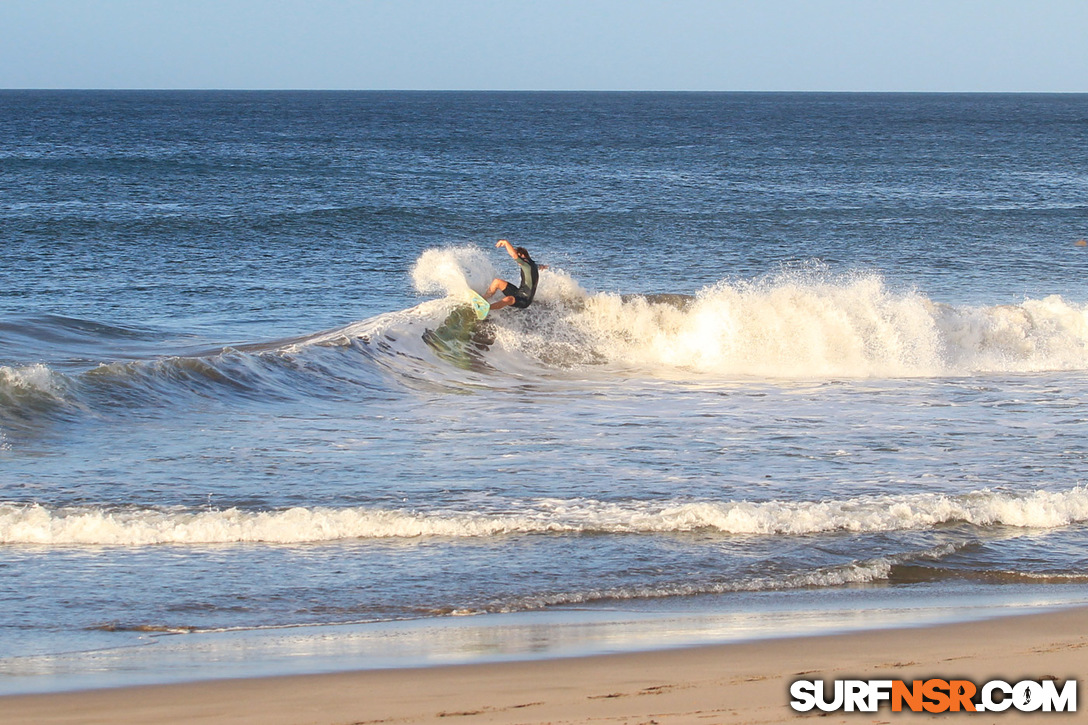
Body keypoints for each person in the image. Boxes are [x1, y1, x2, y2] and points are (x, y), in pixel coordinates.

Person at [482, 239, 547, 311]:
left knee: (508, 299)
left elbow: (513, 254)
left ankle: (486, 309)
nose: (518, 261)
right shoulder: (534, 265)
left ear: (523, 255)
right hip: (518, 292)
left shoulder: (526, 264)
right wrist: (544, 267)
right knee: (497, 282)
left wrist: (506, 243)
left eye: (519, 257)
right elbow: (540, 266)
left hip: (525, 300)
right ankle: (483, 300)